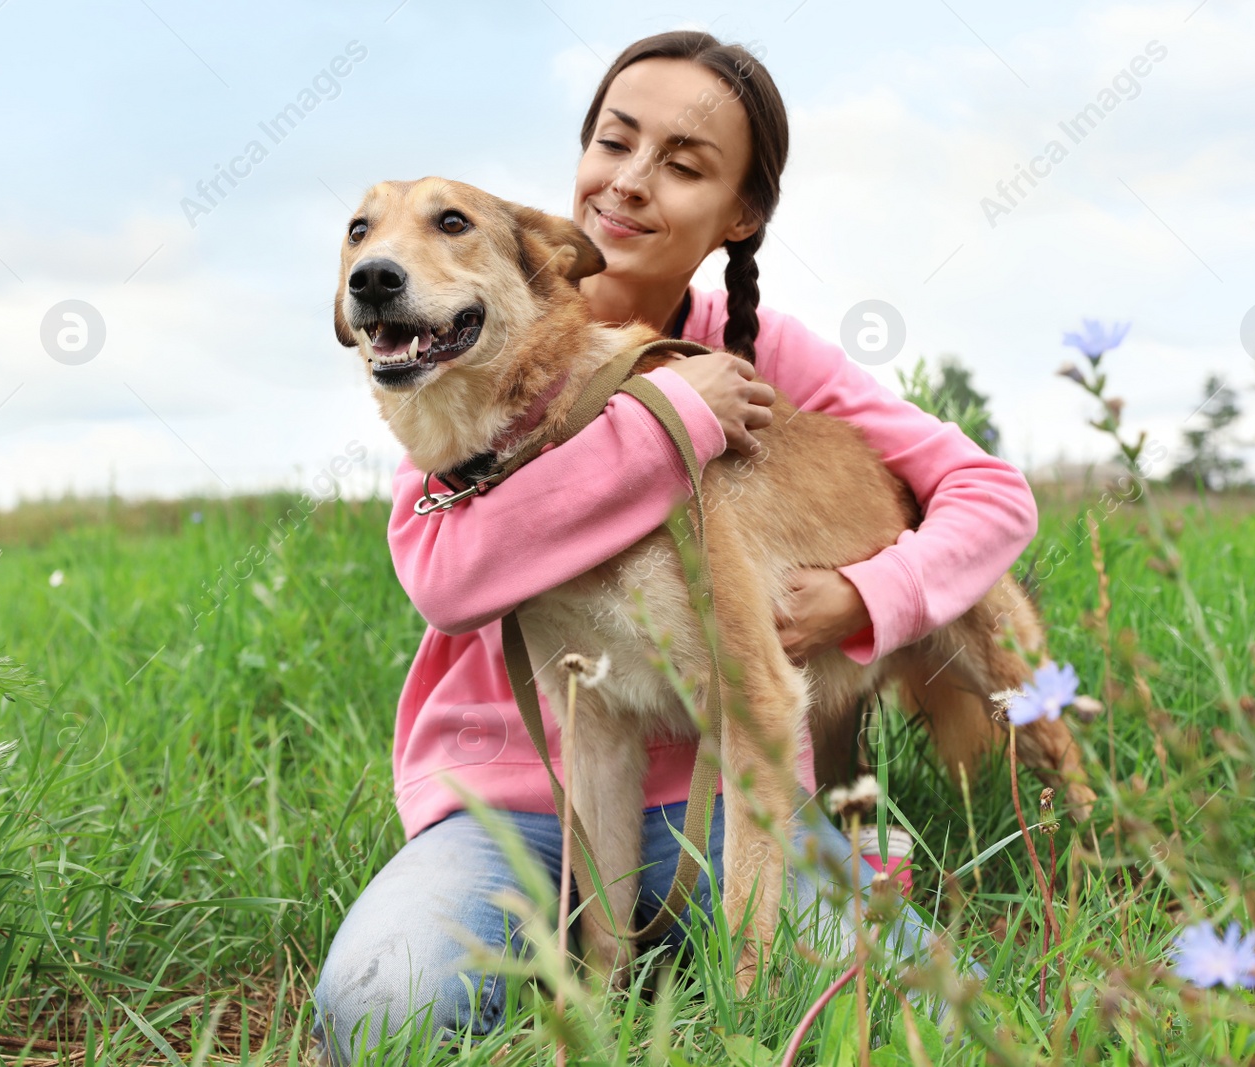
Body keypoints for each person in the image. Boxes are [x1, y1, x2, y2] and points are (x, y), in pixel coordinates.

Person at [310, 31, 1038, 1065]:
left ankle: (687, 948)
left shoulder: (761, 353)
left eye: (685, 164)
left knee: (919, 1021)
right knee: (380, 1010)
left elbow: (988, 491)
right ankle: (590, 951)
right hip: (507, 814)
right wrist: (664, 422)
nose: (634, 183)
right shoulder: (458, 378)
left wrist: (861, 598)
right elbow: (447, 578)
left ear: (740, 213)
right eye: (616, 142)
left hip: (737, 805)